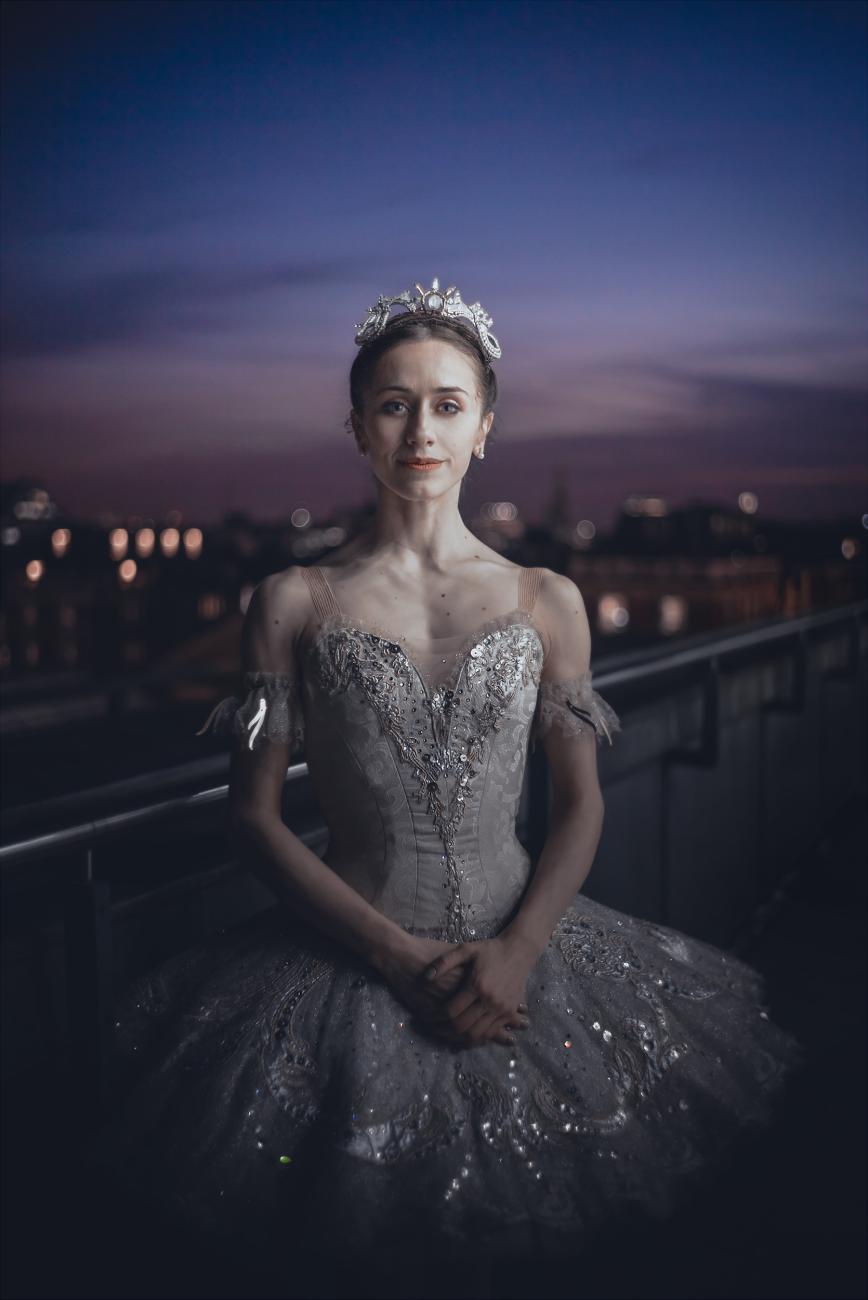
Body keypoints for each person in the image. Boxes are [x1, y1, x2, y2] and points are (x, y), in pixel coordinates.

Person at [87, 278, 805, 1298]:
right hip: (346, 959)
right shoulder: (291, 601)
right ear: (357, 428)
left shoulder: (545, 598)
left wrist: (514, 953)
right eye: (393, 403)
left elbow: (581, 800)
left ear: (484, 428)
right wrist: (396, 956)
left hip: (526, 957)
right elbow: (250, 816)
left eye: (447, 402)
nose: (420, 427)